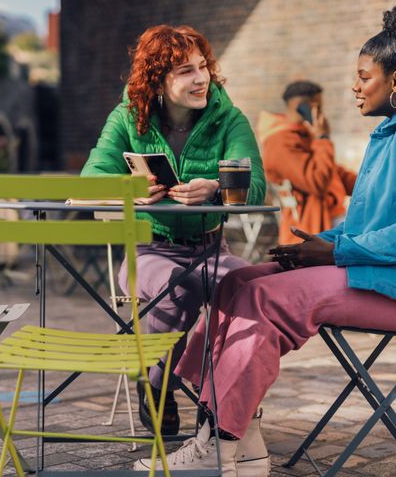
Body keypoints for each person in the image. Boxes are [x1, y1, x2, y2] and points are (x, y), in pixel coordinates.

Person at [136, 2, 396, 477]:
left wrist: (336, 252)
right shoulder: (393, 130)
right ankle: (243, 441)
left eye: (364, 76)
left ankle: (219, 443)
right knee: (238, 281)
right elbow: (368, 222)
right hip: (382, 275)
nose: (354, 87)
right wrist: (318, 244)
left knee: (265, 297)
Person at [81, 24, 266, 436]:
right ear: (158, 80)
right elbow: (91, 177)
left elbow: (256, 185)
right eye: (184, 70)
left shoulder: (229, 118)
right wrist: (128, 188)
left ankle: (220, 395)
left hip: (211, 249)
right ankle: (159, 386)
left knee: (249, 287)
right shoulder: (129, 117)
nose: (200, 78)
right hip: (146, 250)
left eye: (202, 67)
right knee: (176, 284)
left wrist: (218, 187)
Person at [256, 80, 357, 241]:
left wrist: (369, 184)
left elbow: (333, 171)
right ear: (304, 107)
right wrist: (322, 138)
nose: (321, 113)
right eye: (317, 107)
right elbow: (317, 181)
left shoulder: (305, 134)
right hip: (312, 224)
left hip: (334, 215)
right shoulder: (280, 142)